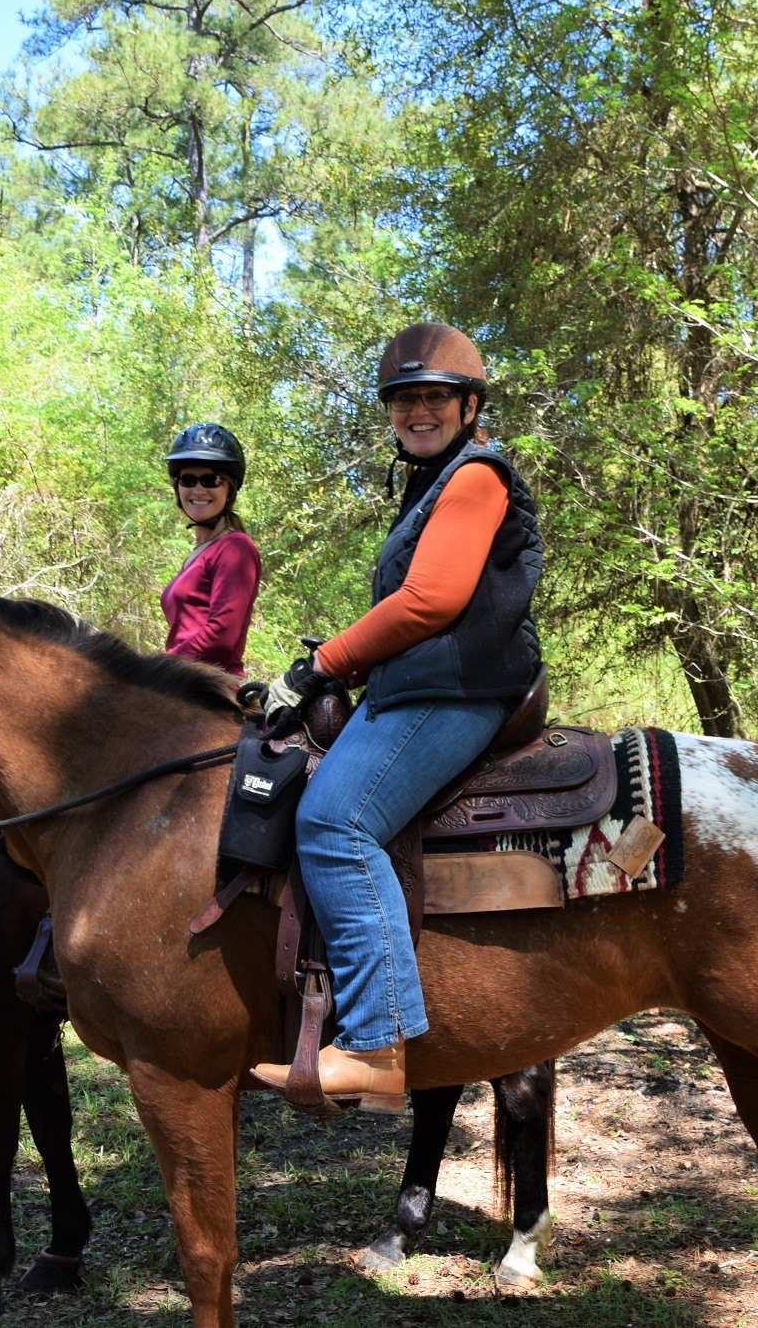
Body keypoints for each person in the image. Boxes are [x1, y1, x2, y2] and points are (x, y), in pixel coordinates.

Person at [252, 324, 542, 1110]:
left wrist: (324, 662)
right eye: (404, 400)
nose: (418, 411)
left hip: (456, 693)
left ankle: (376, 1047)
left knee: (333, 822)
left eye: (435, 398)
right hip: (421, 687)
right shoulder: (431, 483)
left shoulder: (476, 476)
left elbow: (431, 601)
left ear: (469, 405)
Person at [160, 423, 261, 676]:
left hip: (209, 689)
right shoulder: (198, 553)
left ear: (230, 489)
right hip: (182, 682)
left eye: (210, 480)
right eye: (188, 480)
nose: (198, 490)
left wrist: (159, 666)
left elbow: (222, 635)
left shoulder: (235, 548)